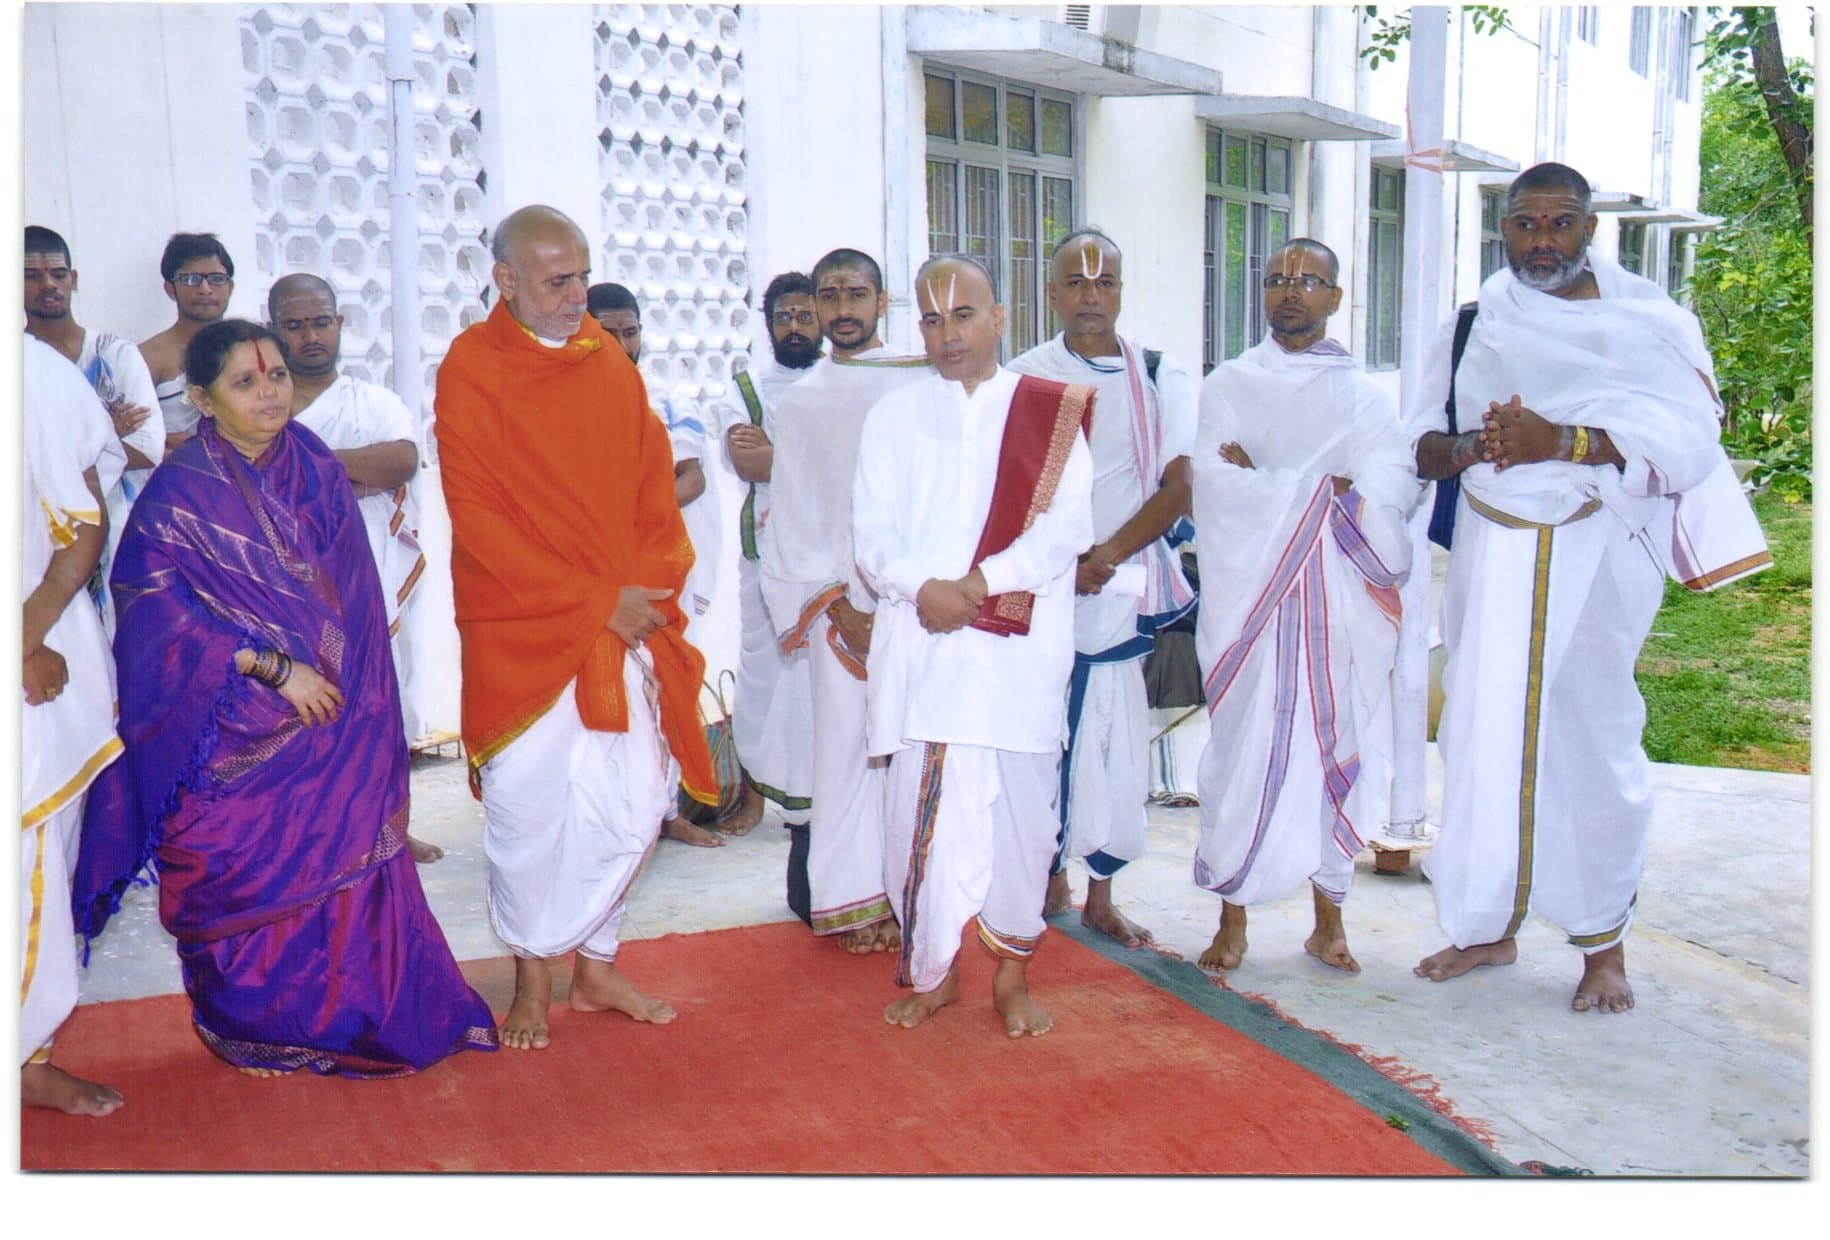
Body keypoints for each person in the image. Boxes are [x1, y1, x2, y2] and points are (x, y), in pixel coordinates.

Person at [72, 319, 497, 1077]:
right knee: (232, 867)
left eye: (275, 377)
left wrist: (358, 703)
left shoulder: (315, 464)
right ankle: (254, 1025)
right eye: (245, 381)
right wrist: (273, 669)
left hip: (333, 714)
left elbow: (355, 597)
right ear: (201, 398)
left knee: (348, 862)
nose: (270, 393)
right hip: (227, 724)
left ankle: (355, 1016)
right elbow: (153, 608)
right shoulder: (178, 493)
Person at [1408, 163, 1768, 1012]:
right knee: (1481, 730)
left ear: (1590, 229)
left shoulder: (1648, 321)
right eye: (1526, 224)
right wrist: (1476, 450)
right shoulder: (1473, 323)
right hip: (1494, 551)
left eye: (1560, 224)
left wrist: (1561, 441)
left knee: (1593, 735)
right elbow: (1420, 443)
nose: (1542, 241)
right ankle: (1487, 922)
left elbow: (1687, 440)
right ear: (1502, 229)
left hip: (1602, 547)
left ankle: (1602, 944)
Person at [435, 205, 716, 1049]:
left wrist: (642, 592)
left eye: (584, 276)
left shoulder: (607, 363)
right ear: (507, 281)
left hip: (623, 622)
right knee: (529, 808)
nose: (577, 296)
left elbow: (652, 494)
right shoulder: (472, 369)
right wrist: (597, 599)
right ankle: (532, 973)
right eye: (558, 280)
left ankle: (595, 966)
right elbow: (478, 520)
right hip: (521, 631)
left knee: (631, 801)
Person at [853, 255, 1094, 1036]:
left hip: (1015, 657)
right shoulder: (892, 416)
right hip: (923, 648)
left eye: (964, 314)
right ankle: (937, 971)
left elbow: (1067, 527)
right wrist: (923, 587)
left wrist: (981, 584)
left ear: (999, 317)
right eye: (931, 317)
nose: (948, 332)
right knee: (916, 819)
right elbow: (872, 531)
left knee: (1025, 823)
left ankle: (1012, 979)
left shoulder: (1047, 411)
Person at [1190, 239, 1422, 975]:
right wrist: (1322, 489)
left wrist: (1280, 483)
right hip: (1250, 610)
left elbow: (1387, 489)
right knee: (1240, 756)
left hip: (1335, 612)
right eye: (1277, 279)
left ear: (1335, 297)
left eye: (1308, 281)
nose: (1290, 292)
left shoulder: (1362, 399)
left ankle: (1330, 922)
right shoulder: (1228, 383)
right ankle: (1233, 919)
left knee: (1336, 749)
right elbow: (1214, 486)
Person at [1008, 228, 1195, 948]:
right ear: (1053, 293)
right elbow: (1008, 488)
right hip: (1042, 587)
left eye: (1106, 282)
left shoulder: (1158, 377)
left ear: (1121, 291)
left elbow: (1179, 485)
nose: (1092, 296)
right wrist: (1061, 560)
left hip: (1118, 586)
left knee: (1111, 740)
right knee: (1041, 733)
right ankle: (1043, 872)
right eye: (1077, 283)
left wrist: (1107, 555)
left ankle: (1100, 892)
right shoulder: (1027, 376)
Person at [760, 248, 927, 949]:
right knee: (845, 756)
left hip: (916, 604)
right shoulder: (799, 404)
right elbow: (794, 516)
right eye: (830, 296)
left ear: (882, 302)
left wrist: (906, 595)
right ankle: (854, 906)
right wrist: (839, 604)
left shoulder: (922, 384)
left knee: (910, 755)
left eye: (857, 294)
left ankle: (911, 901)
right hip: (835, 609)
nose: (843, 309)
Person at [268, 272, 441, 865]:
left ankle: (392, 826)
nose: (310, 335)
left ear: (340, 325)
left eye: (320, 321)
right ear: (274, 331)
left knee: (381, 700)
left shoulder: (373, 402)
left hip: (363, 579)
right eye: (293, 324)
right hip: (282, 585)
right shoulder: (261, 403)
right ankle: (312, 835)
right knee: (295, 708)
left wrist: (302, 464)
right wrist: (347, 476)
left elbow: (399, 461)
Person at [21, 335, 127, 1116]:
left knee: (29, 866)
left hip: (32, 645)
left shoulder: (34, 376)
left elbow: (80, 524)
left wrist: (22, 639)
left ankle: (25, 1054)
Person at [588, 279, 726, 848]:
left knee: (663, 684)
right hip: (588, 572)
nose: (623, 344)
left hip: (653, 565)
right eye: (608, 332)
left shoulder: (666, 399)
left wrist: (631, 519)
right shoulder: (553, 401)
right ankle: (606, 812)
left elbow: (689, 477)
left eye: (631, 332)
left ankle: (667, 811)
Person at [710, 270, 822, 837]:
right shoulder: (746, 386)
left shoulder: (841, 381)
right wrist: (823, 457)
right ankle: (753, 800)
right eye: (784, 317)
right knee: (760, 677)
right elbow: (751, 464)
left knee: (824, 680)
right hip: (766, 551)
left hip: (831, 557)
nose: (795, 327)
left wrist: (782, 451)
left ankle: (823, 799)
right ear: (769, 322)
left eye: (805, 315)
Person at [25, 225, 166, 635]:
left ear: (74, 279)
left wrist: (62, 455)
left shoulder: (113, 354)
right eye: (31, 275)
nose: (48, 285)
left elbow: (149, 446)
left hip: (123, 529)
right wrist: (106, 436)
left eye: (58, 273)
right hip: (40, 541)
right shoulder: (18, 364)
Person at [140, 233, 234, 455]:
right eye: (191, 279)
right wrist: (158, 445)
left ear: (230, 287)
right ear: (170, 289)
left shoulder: (248, 347)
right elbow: (124, 435)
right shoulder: (149, 357)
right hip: (175, 479)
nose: (205, 289)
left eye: (216, 279)